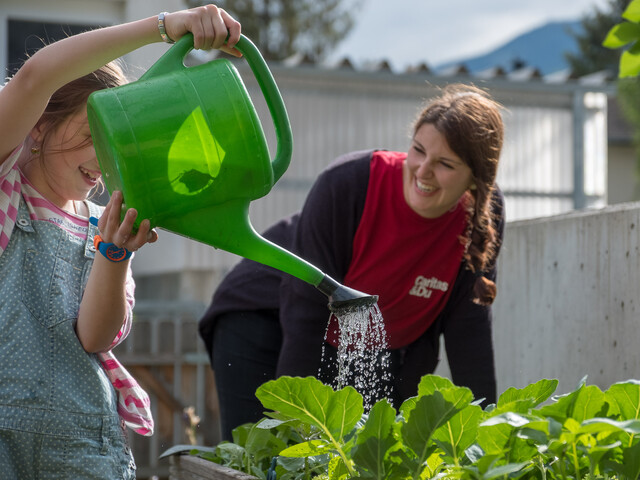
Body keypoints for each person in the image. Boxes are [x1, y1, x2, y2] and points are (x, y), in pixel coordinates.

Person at [0, 5, 241, 478]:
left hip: (82, 445)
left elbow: (95, 337)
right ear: (40, 124)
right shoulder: (7, 189)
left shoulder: (101, 224)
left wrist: (114, 255)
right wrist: (165, 27)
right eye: (91, 134)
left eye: (113, 142)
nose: (102, 158)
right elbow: (34, 77)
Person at [199, 83, 506, 441]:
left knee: (372, 458)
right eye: (418, 151)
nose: (423, 171)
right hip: (264, 318)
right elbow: (305, 316)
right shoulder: (349, 183)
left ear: (476, 179)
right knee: (264, 455)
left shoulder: (482, 215)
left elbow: (470, 337)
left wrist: (490, 446)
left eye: (445, 164)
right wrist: (293, 429)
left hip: (362, 344)